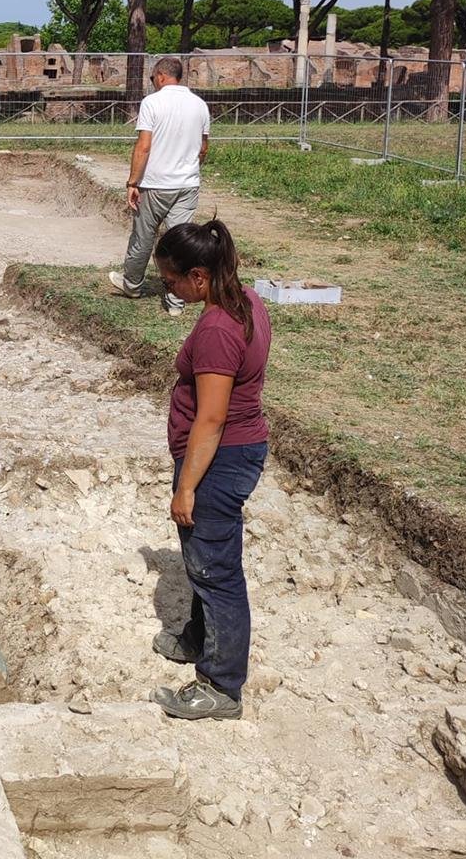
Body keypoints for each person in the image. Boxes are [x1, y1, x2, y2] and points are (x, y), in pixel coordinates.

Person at [148, 220, 270, 722]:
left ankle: (221, 686)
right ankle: (199, 640)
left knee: (215, 571)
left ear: (198, 276)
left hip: (219, 460)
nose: (169, 290)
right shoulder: (245, 300)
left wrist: (188, 488)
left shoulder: (219, 329)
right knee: (202, 558)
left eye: (171, 280)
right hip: (231, 452)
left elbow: (213, 416)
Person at [108, 56, 211, 316]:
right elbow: (203, 148)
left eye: (153, 77)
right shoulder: (200, 105)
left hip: (154, 183)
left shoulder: (152, 103)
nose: (153, 82)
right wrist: (187, 168)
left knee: (143, 236)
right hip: (187, 184)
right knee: (180, 242)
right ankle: (177, 301)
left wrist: (133, 181)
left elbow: (144, 146)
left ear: (162, 76)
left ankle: (132, 285)